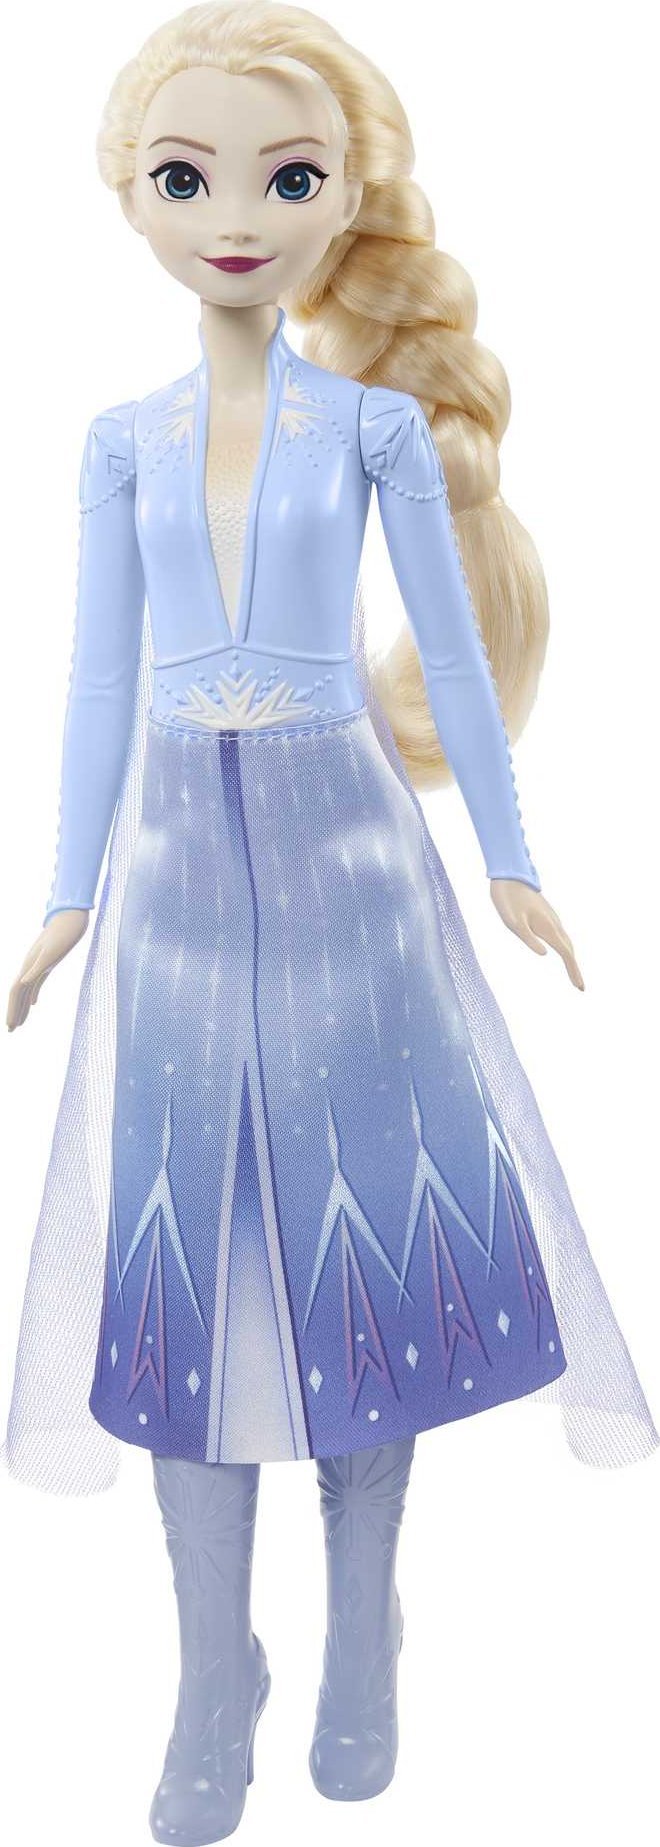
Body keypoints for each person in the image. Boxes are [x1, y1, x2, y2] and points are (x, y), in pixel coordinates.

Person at [3, 6, 657, 1843]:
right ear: (131, 197)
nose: (235, 214)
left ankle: (365, 1620)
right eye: (187, 176)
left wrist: (511, 859)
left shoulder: (372, 430)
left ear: (347, 197)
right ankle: (215, 1666)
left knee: (367, 1247)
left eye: (286, 179)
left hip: (351, 867)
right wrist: (64, 899)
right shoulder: (121, 441)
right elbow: (96, 679)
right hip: (174, 890)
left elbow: (447, 648)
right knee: (185, 1262)